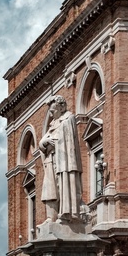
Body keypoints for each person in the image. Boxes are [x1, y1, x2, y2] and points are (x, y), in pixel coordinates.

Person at [39, 95, 83, 223]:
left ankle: (66, 213)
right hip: (51, 160)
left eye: (53, 111)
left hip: (63, 162)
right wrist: (45, 141)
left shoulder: (68, 119)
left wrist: (54, 143)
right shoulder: (53, 123)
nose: (51, 115)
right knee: (49, 189)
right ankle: (51, 217)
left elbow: (68, 142)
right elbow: (42, 142)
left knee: (64, 185)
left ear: (61, 108)